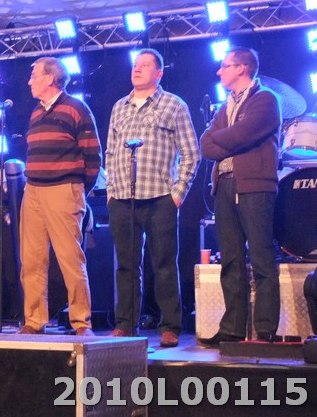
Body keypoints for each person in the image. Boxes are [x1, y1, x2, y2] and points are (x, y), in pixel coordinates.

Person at [106, 48, 200, 347]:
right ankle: (125, 325)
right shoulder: (119, 107)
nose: (137, 69)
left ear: (159, 73)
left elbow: (191, 152)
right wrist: (110, 191)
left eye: (144, 65)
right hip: (123, 197)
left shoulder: (173, 104)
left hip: (160, 197)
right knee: (126, 266)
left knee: (164, 265)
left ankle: (169, 326)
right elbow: (110, 152)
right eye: (135, 64)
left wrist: (177, 193)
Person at [198, 47, 281, 346]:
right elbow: (205, 145)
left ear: (242, 68)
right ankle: (232, 329)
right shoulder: (225, 106)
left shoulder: (266, 99)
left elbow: (243, 134)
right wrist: (228, 139)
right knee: (231, 261)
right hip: (224, 186)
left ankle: (265, 330)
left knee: (261, 258)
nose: (219, 71)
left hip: (255, 186)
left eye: (225, 66)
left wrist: (224, 138)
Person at [17, 57, 102, 336]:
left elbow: (93, 155)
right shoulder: (35, 113)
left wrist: (77, 189)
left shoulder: (76, 108)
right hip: (33, 191)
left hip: (64, 190)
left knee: (70, 259)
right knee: (31, 260)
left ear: (50, 79)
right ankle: (34, 320)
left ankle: (81, 321)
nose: (29, 81)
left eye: (34, 76)